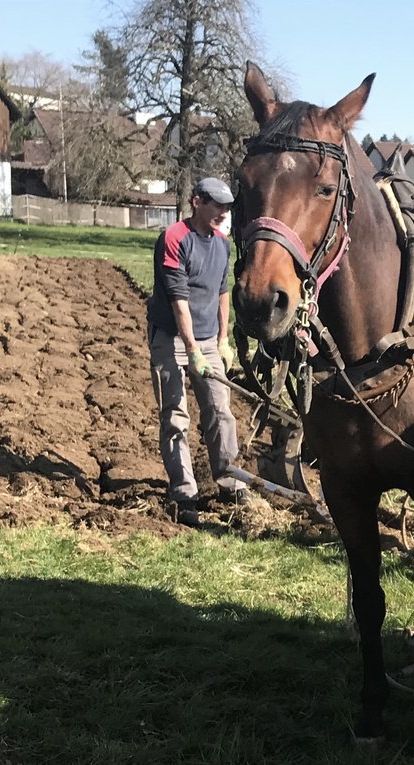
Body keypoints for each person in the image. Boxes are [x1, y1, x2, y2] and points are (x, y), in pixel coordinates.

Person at [147, 176, 249, 526]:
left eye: (226, 207)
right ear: (196, 202)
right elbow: (179, 298)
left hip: (208, 339)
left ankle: (229, 480)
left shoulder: (222, 244)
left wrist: (222, 339)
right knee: (176, 415)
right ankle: (184, 491)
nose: (223, 212)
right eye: (216, 205)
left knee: (220, 411)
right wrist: (191, 349)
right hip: (172, 338)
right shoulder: (174, 239)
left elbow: (223, 291)